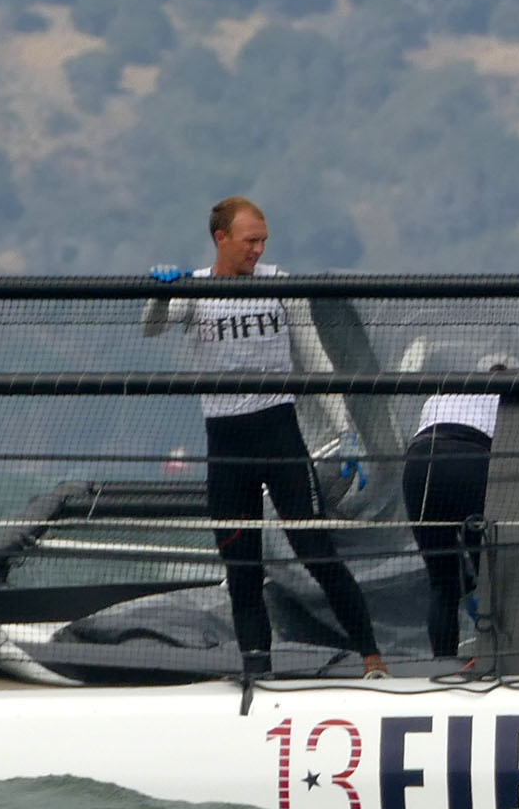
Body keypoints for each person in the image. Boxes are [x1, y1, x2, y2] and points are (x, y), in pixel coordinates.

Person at [145, 196, 387, 677]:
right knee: (242, 568)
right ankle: (256, 671)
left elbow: (314, 360)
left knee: (318, 555)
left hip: (280, 434)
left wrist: (346, 432)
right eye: (250, 241)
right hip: (227, 445)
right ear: (221, 239)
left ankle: (372, 658)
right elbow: (152, 328)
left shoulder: (280, 285)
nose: (258, 249)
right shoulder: (195, 290)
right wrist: (160, 293)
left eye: (263, 241)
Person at [398, 361, 512, 661]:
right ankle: (506, 661)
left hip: (420, 463)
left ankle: (443, 666)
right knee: (492, 573)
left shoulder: (446, 389)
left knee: (442, 581)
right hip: (468, 458)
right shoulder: (505, 394)